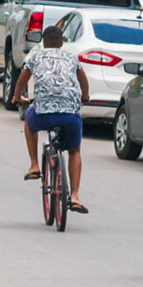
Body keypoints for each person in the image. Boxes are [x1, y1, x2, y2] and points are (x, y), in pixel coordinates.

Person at [14, 23, 89, 214]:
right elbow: (82, 79)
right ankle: (74, 196)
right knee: (74, 150)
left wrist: (16, 97)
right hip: (69, 115)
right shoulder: (71, 57)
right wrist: (84, 97)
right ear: (62, 42)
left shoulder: (36, 56)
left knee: (29, 122)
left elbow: (22, 79)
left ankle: (34, 165)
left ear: (43, 43)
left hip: (42, 114)